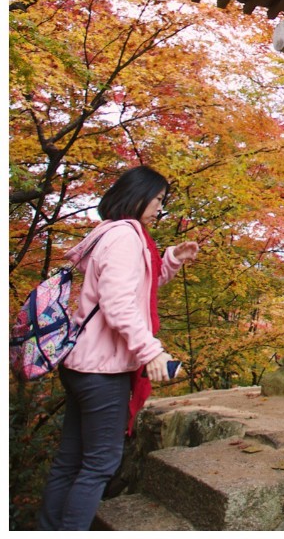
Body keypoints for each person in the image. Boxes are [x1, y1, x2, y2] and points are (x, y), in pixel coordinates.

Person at [38, 167, 201, 530]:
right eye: (158, 199)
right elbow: (118, 304)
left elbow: (137, 286)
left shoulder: (109, 233)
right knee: (99, 464)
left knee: (70, 460)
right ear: (138, 195)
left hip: (80, 363)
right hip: (102, 370)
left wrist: (172, 257)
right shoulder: (127, 238)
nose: (161, 207)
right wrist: (151, 352)